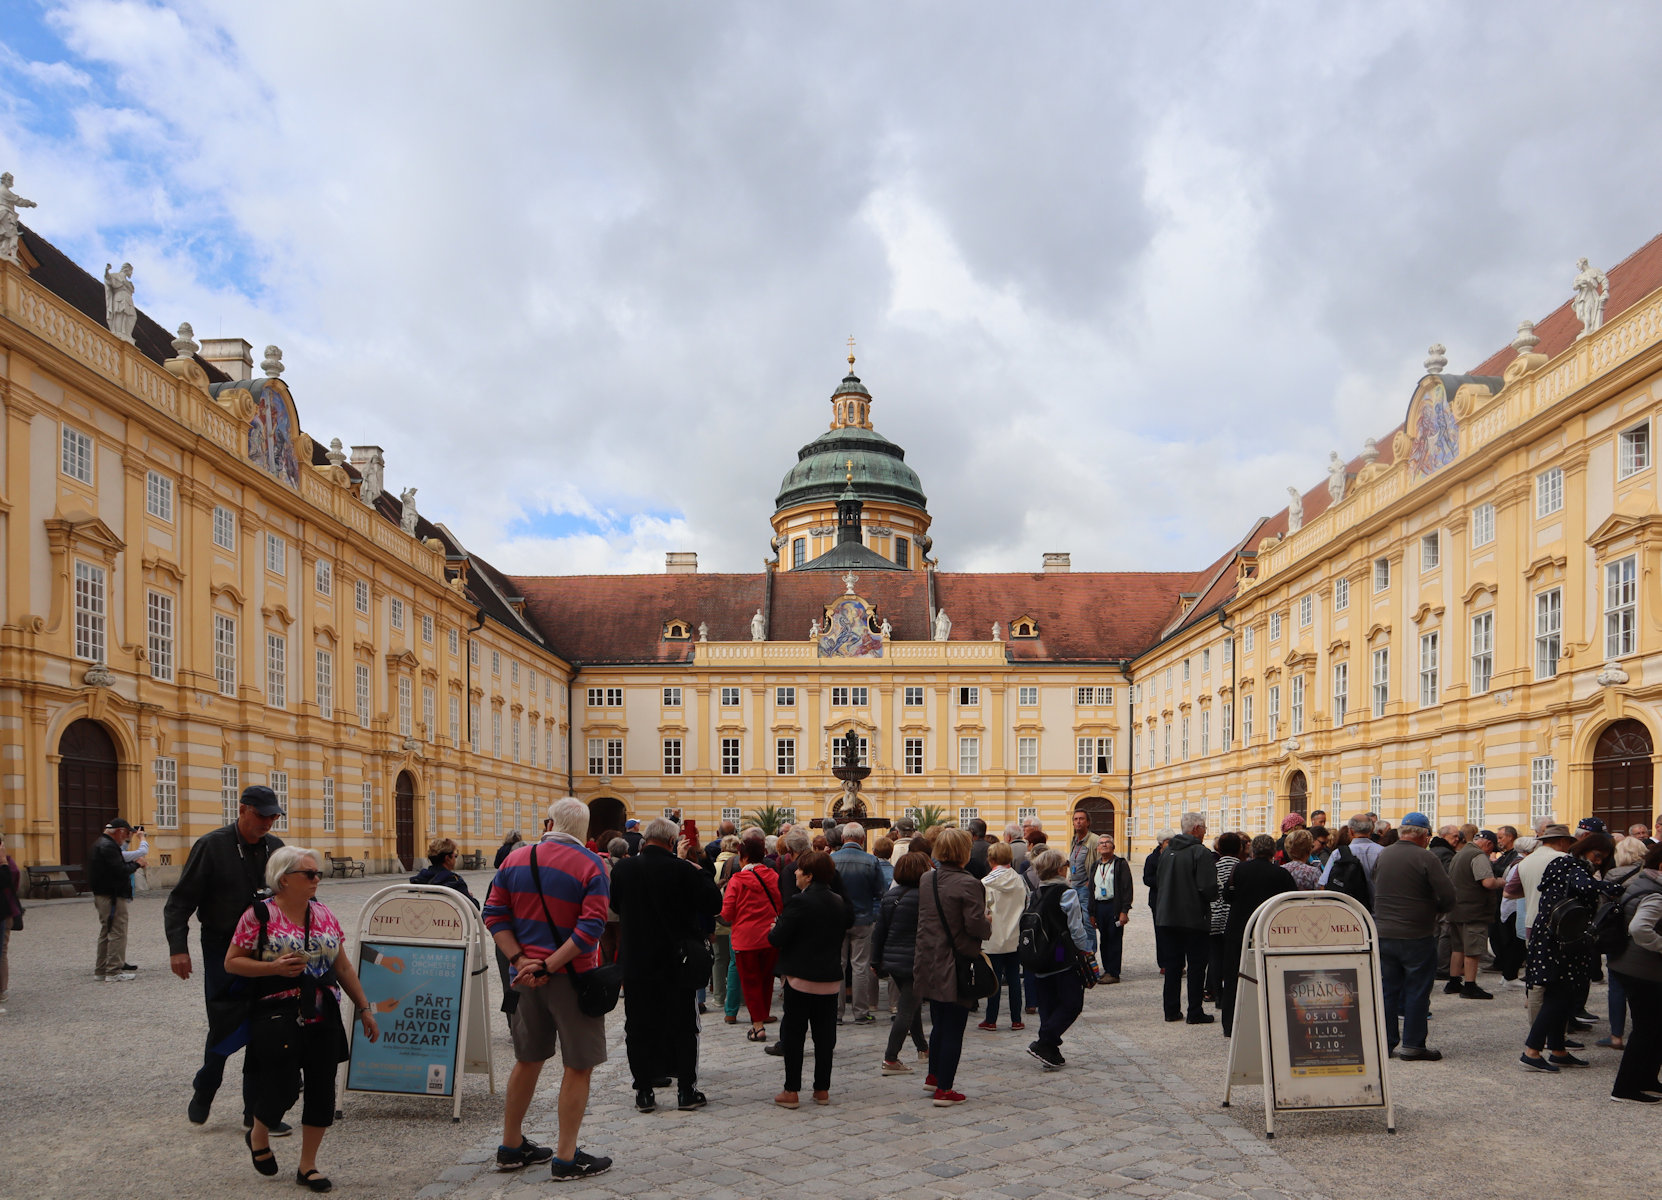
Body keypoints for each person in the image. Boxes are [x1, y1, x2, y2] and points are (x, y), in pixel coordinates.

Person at [228, 846, 378, 1191]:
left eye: (317, 874)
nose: (316, 880)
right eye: (308, 874)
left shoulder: (324, 913)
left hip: (323, 1010)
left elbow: (341, 966)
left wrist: (364, 1008)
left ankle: (308, 1166)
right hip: (277, 1011)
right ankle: (260, 1132)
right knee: (281, 1087)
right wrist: (272, 967)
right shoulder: (258, 916)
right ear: (283, 880)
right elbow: (232, 961)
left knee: (322, 1090)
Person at [482, 797, 612, 1181]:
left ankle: (510, 1145)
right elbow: (591, 929)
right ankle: (567, 1157)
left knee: (527, 1060)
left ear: (548, 823)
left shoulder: (515, 859)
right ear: (584, 831)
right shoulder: (592, 865)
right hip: (571, 979)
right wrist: (550, 965)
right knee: (578, 1065)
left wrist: (521, 962)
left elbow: (493, 913)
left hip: (525, 981)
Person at [165, 784, 287, 1129]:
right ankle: (205, 1087)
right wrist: (178, 948)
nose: (268, 822)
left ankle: (258, 1114)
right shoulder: (212, 846)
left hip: (267, 949)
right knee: (225, 1022)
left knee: (267, 1026)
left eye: (273, 816)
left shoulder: (276, 849)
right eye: (262, 815)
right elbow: (179, 902)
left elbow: (289, 896)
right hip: (222, 946)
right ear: (243, 809)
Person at [609, 816, 723, 1114]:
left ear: (645, 839)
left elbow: (615, 906)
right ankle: (685, 1090)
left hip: (637, 959)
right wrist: (697, 869)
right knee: (683, 1025)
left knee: (637, 1025)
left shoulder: (624, 869)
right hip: (677, 959)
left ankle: (644, 1091)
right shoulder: (682, 869)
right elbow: (713, 905)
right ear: (673, 842)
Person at [1521, 831, 1619, 1073]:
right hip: (1559, 940)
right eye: (1597, 855)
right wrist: (1613, 886)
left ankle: (1558, 1050)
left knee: (1562, 994)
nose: (1598, 861)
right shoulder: (1568, 863)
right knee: (1557, 996)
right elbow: (1585, 886)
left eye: (1603, 859)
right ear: (1585, 848)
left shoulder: (1564, 863)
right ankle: (1531, 1051)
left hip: (1558, 937)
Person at [767, 849, 854, 1107]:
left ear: (809, 875)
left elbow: (776, 938)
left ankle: (791, 1090)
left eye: (799, 870)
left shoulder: (799, 902)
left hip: (800, 977)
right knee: (824, 1036)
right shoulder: (839, 902)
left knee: (794, 1035)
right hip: (828, 978)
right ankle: (821, 1089)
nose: (795, 872)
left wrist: (776, 927)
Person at [914, 827, 991, 1106]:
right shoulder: (970, 883)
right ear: (964, 852)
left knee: (938, 1023)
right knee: (954, 1027)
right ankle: (945, 1089)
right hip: (956, 962)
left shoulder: (926, 879)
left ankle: (933, 1076)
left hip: (929, 959)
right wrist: (988, 923)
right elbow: (975, 926)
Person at [1371, 811, 1455, 1061]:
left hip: (1384, 932)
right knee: (1417, 990)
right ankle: (1413, 1044)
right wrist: (1434, 909)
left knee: (1387, 990)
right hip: (1416, 933)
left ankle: (1385, 1043)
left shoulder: (1384, 855)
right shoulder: (1425, 858)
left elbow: (1376, 884)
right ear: (1424, 835)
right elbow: (1448, 896)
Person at [1025, 848, 1095, 1068]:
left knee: (1047, 1002)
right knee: (1072, 1002)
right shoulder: (1066, 893)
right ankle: (1045, 1040)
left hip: (1038, 952)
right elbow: (1076, 927)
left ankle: (1050, 1052)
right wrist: (1086, 949)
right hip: (1059, 951)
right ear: (1059, 869)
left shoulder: (1035, 893)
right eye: (1066, 863)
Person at [1221, 835, 1295, 1036]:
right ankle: (1268, 1024)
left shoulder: (1239, 869)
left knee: (1234, 977)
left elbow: (1227, 896)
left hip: (1239, 928)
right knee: (1270, 976)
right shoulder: (1280, 873)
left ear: (1252, 850)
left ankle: (1230, 1024)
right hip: (1269, 931)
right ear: (1273, 852)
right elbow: (1291, 903)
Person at [1607, 841, 1662, 1101]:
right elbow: (1640, 929)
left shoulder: (1643, 882)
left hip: (1631, 965)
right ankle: (1626, 1088)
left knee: (1653, 1028)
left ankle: (1647, 1079)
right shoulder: (1656, 892)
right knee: (1645, 1029)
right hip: (1643, 970)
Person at [871, 850, 934, 1071]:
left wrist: (875, 960)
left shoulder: (890, 896)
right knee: (907, 1009)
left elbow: (880, 931)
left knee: (912, 1005)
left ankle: (923, 1048)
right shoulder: (927, 897)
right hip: (916, 960)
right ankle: (890, 1058)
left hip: (893, 961)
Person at [1154, 813, 1218, 1025]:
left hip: (1166, 917)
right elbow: (1207, 887)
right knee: (1196, 965)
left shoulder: (1167, 851)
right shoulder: (1200, 852)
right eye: (1204, 827)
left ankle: (1171, 1010)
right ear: (1197, 828)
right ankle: (1194, 1011)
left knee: (1172, 965)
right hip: (1192, 917)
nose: (1206, 831)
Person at [721, 832, 783, 1041]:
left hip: (745, 939)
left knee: (750, 982)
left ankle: (757, 1026)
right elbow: (780, 906)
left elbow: (727, 913)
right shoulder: (774, 877)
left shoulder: (737, 880)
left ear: (744, 857)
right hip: (770, 937)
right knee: (766, 980)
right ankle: (762, 1014)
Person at [831, 823, 886, 1025]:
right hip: (863, 919)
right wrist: (873, 914)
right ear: (862, 840)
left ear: (843, 838)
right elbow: (879, 892)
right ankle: (860, 1012)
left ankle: (836, 1012)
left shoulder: (831, 860)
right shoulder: (871, 861)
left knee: (838, 964)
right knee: (860, 966)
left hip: (837, 920)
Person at [1442, 823, 1503, 1001]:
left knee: (1458, 947)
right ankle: (1470, 985)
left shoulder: (1460, 854)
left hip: (1456, 909)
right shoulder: (1478, 856)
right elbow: (1487, 882)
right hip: (1473, 910)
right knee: (1472, 949)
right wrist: (1500, 881)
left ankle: (1453, 981)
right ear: (1489, 844)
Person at [1601, 836, 1651, 1050]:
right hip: (1644, 935)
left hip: (1618, 936)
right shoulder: (1648, 875)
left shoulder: (1612, 875)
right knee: (1646, 987)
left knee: (1617, 986)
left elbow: (1602, 907)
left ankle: (1616, 1035)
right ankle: (1643, 1031)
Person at [978, 841, 1026, 1030]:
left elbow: (982, 910)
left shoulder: (986, 882)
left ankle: (991, 1019)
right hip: (1015, 935)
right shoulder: (1019, 880)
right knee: (1014, 980)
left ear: (991, 859)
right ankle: (1016, 1019)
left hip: (994, 937)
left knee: (994, 980)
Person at [87, 817, 140, 982]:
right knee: (117, 931)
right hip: (112, 896)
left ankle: (101, 969)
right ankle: (113, 971)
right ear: (120, 831)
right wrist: (137, 864)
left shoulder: (100, 843)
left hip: (103, 894)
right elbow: (120, 870)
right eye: (126, 833)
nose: (126, 837)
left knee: (107, 931)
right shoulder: (108, 846)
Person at [1089, 834, 1133, 983]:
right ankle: (1106, 969)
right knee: (1104, 939)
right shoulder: (1096, 865)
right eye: (1101, 843)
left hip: (1114, 906)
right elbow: (1091, 890)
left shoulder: (1120, 864)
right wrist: (1092, 912)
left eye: (1107, 842)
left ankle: (1113, 972)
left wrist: (1124, 911)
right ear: (1097, 848)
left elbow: (1127, 888)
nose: (1104, 845)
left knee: (1114, 939)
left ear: (1113, 846)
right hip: (1100, 906)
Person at [1207, 833, 1243, 1002]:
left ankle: (1218, 994)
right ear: (1240, 848)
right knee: (1231, 957)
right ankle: (1231, 994)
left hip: (1215, 916)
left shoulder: (1213, 866)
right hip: (1232, 917)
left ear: (1219, 849)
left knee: (1214, 957)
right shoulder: (1241, 867)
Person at [1317, 814, 1385, 888]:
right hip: (1377, 898)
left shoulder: (1338, 853)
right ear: (1371, 830)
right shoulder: (1383, 852)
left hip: (1347, 898)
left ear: (1351, 831)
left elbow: (1324, 883)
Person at [410, 837, 479, 907]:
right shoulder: (454, 882)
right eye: (455, 855)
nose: (455, 858)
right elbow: (474, 908)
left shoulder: (417, 881)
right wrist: (469, 897)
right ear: (447, 858)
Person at [1143, 828, 1173, 976]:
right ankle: (1164, 963)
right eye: (1168, 841)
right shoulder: (1152, 858)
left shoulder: (1176, 856)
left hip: (1174, 899)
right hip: (1158, 900)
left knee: (1175, 932)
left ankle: (1177, 963)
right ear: (1162, 843)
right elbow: (1146, 878)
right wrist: (1163, 882)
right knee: (1160, 932)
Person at [0, 831, 19, 1012]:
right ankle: (2, 990)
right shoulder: (7, 863)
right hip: (3, 911)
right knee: (1, 951)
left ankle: (2, 989)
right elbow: (9, 880)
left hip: (5, 911)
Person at [1067, 809, 1093, 915]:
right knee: (1075, 918)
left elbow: (1099, 863)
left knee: (1087, 920)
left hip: (1085, 887)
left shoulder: (1094, 840)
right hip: (1074, 885)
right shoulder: (1074, 840)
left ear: (1088, 822)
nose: (1078, 821)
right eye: (1075, 819)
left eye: (1081, 819)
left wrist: (1089, 883)